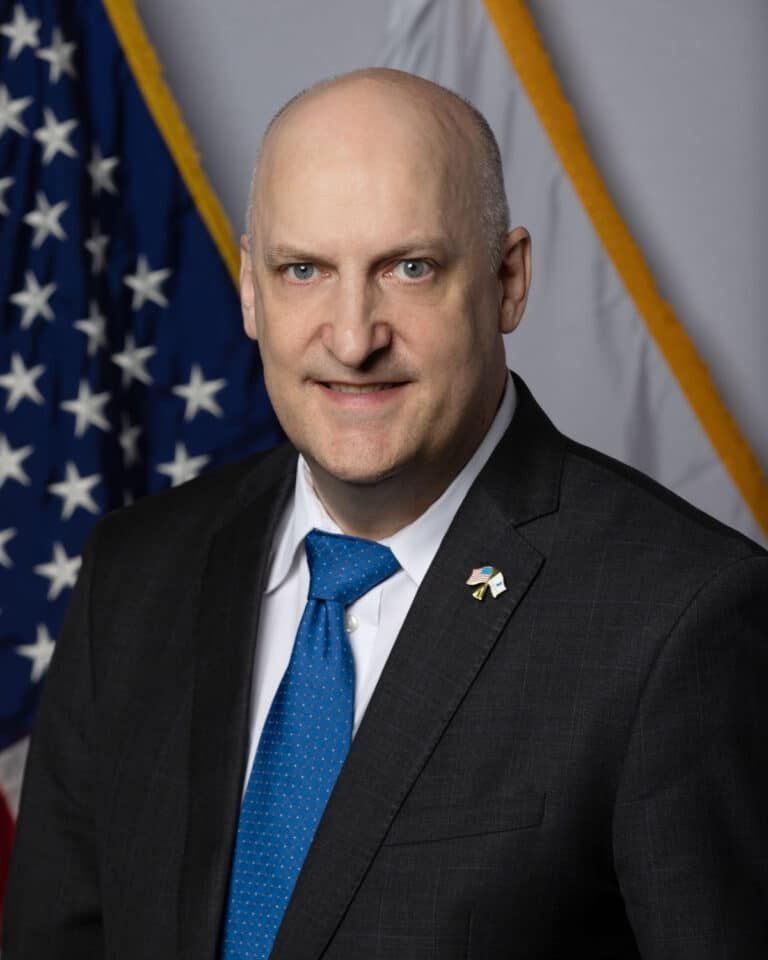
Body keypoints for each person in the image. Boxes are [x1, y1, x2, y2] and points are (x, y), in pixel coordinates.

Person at [4, 68, 768, 959]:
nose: (354, 336)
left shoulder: (683, 618)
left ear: (508, 280)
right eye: (304, 271)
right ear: (250, 289)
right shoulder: (137, 570)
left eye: (410, 268)